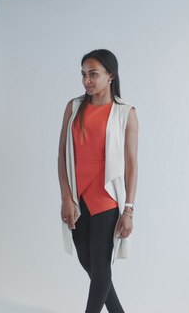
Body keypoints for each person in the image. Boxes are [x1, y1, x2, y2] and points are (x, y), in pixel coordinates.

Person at [57, 49, 138, 313]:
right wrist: (66, 197)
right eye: (83, 74)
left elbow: (131, 165)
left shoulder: (125, 113)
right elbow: (62, 154)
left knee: (101, 266)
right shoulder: (74, 106)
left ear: (110, 76)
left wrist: (128, 209)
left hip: (106, 198)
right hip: (78, 198)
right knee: (88, 262)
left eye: (93, 74)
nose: (86, 80)